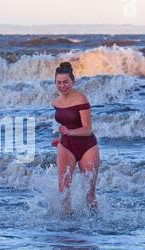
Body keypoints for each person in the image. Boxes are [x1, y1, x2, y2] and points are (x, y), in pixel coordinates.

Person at [51, 62, 100, 214]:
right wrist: (61, 138)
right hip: (66, 146)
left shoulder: (81, 99)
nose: (62, 85)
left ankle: (97, 221)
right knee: (63, 189)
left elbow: (87, 129)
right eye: (59, 82)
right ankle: (67, 223)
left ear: (72, 81)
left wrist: (69, 132)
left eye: (65, 82)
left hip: (87, 146)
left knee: (89, 192)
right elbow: (65, 124)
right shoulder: (56, 102)